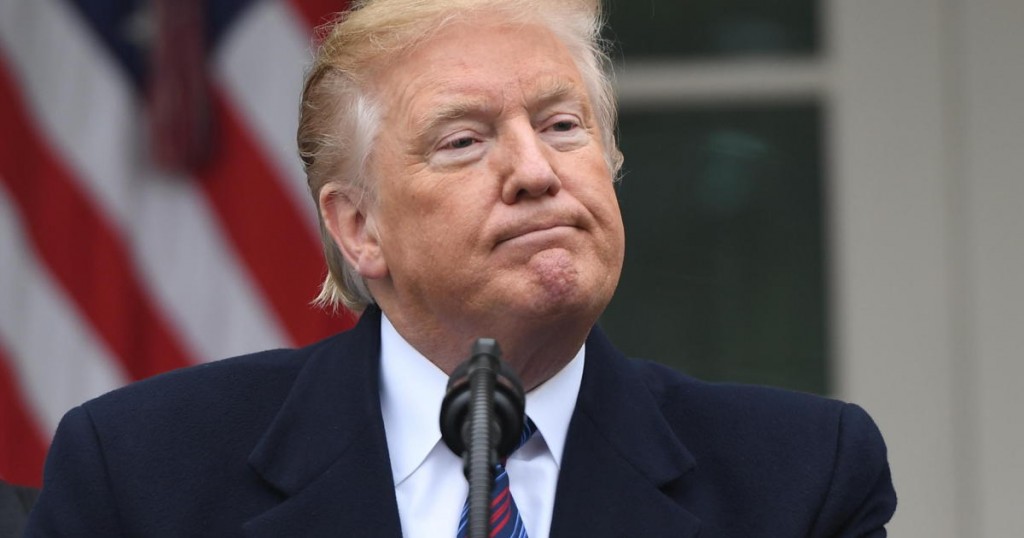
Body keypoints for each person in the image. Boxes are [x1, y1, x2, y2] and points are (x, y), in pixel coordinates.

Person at [26, 0, 896, 536]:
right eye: (464, 141)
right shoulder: (140, 472)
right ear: (359, 228)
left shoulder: (799, 478)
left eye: (563, 126)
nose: (535, 171)